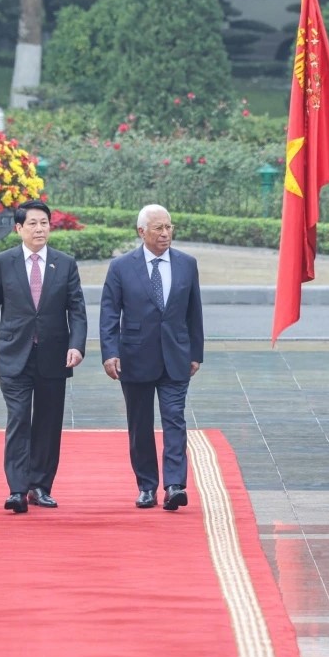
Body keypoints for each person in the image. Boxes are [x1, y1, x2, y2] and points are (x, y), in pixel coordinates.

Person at [0, 200, 87, 513]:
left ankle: (40, 486)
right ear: (19, 229)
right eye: (33, 224)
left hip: (54, 355)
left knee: (48, 423)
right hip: (14, 354)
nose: (40, 229)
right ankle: (16, 488)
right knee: (19, 419)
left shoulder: (65, 263)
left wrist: (76, 345)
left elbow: (77, 310)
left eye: (44, 223)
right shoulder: (3, 262)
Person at [100, 204, 204, 510]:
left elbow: (193, 312)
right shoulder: (121, 267)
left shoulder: (187, 264)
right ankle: (147, 485)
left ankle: (175, 485)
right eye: (158, 228)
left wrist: (195, 352)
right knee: (140, 424)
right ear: (141, 232)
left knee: (175, 420)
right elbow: (109, 313)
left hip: (176, 357)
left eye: (169, 227)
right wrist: (110, 352)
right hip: (134, 357)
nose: (165, 233)